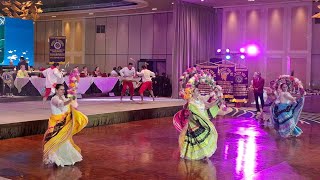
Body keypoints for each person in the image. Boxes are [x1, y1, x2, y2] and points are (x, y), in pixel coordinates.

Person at [175, 67, 220, 160]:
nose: (198, 91)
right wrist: (180, 83)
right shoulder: (190, 100)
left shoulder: (200, 99)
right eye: (196, 91)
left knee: (204, 137)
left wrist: (217, 101)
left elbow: (208, 105)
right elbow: (182, 92)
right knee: (194, 139)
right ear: (192, 92)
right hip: (194, 123)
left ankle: (203, 153)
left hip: (201, 122)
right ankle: (192, 154)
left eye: (197, 90)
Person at [43, 84, 88, 167]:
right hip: (56, 123)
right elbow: (61, 104)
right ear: (56, 90)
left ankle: (64, 158)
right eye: (60, 89)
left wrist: (73, 97)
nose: (62, 91)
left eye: (63, 89)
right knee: (57, 139)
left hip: (63, 122)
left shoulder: (63, 97)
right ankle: (56, 158)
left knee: (65, 140)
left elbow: (70, 104)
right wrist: (70, 100)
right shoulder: (54, 99)